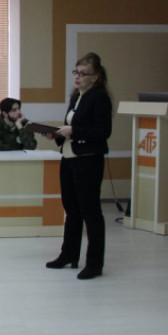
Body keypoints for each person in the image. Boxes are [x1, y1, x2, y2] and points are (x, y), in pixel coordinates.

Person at [42, 52, 112, 280]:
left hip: (88, 160)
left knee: (91, 212)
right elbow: (71, 129)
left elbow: (102, 131)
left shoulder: (99, 98)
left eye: (83, 74)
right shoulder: (76, 97)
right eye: (76, 72)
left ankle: (94, 263)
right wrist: (57, 135)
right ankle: (69, 255)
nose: (77, 77)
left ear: (96, 77)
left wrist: (73, 131)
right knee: (71, 210)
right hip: (69, 158)